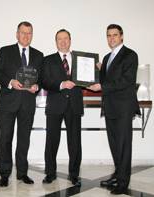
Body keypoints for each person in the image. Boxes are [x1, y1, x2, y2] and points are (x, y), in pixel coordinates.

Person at [88, 24, 140, 195]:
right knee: (115, 145)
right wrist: (98, 69)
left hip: (124, 107)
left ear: (122, 36)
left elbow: (126, 80)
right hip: (109, 107)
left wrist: (102, 84)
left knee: (124, 146)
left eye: (115, 35)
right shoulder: (107, 57)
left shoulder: (130, 55)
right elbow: (104, 80)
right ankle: (118, 175)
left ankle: (123, 183)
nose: (111, 38)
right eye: (109, 35)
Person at [0, 21, 43, 187]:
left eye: (29, 33)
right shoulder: (5, 51)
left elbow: (41, 78)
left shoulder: (38, 55)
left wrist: (37, 86)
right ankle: (4, 174)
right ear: (17, 34)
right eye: (23, 32)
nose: (26, 36)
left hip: (27, 103)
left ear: (32, 35)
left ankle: (22, 173)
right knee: (6, 139)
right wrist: (10, 82)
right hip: (8, 102)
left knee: (24, 139)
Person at [41, 29, 83, 186]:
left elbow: (88, 78)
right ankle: (50, 173)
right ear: (56, 41)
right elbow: (44, 81)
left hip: (74, 104)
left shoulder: (81, 59)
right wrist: (61, 84)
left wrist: (97, 68)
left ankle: (74, 175)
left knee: (75, 142)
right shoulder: (48, 60)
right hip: (55, 104)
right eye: (60, 39)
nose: (63, 41)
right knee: (51, 141)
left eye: (66, 38)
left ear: (70, 40)